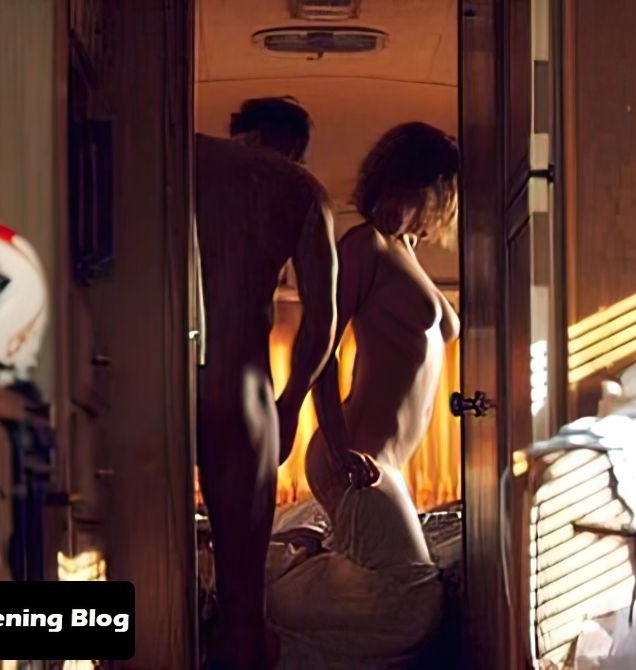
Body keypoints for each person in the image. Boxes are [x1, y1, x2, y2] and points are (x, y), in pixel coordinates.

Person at [267, 122, 460, 663]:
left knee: (401, 587)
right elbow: (320, 351)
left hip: (384, 463)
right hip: (356, 457)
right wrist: (339, 443)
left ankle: (308, 561)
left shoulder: (406, 250)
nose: (444, 203)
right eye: (440, 188)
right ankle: (269, 602)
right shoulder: (364, 245)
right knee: (412, 598)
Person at [194, 97, 370, 668]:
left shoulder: (178, 158)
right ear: (294, 149)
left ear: (239, 132)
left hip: (156, 379)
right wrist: (290, 404)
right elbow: (322, 321)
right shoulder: (298, 188)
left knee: (143, 564)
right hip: (239, 387)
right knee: (242, 594)